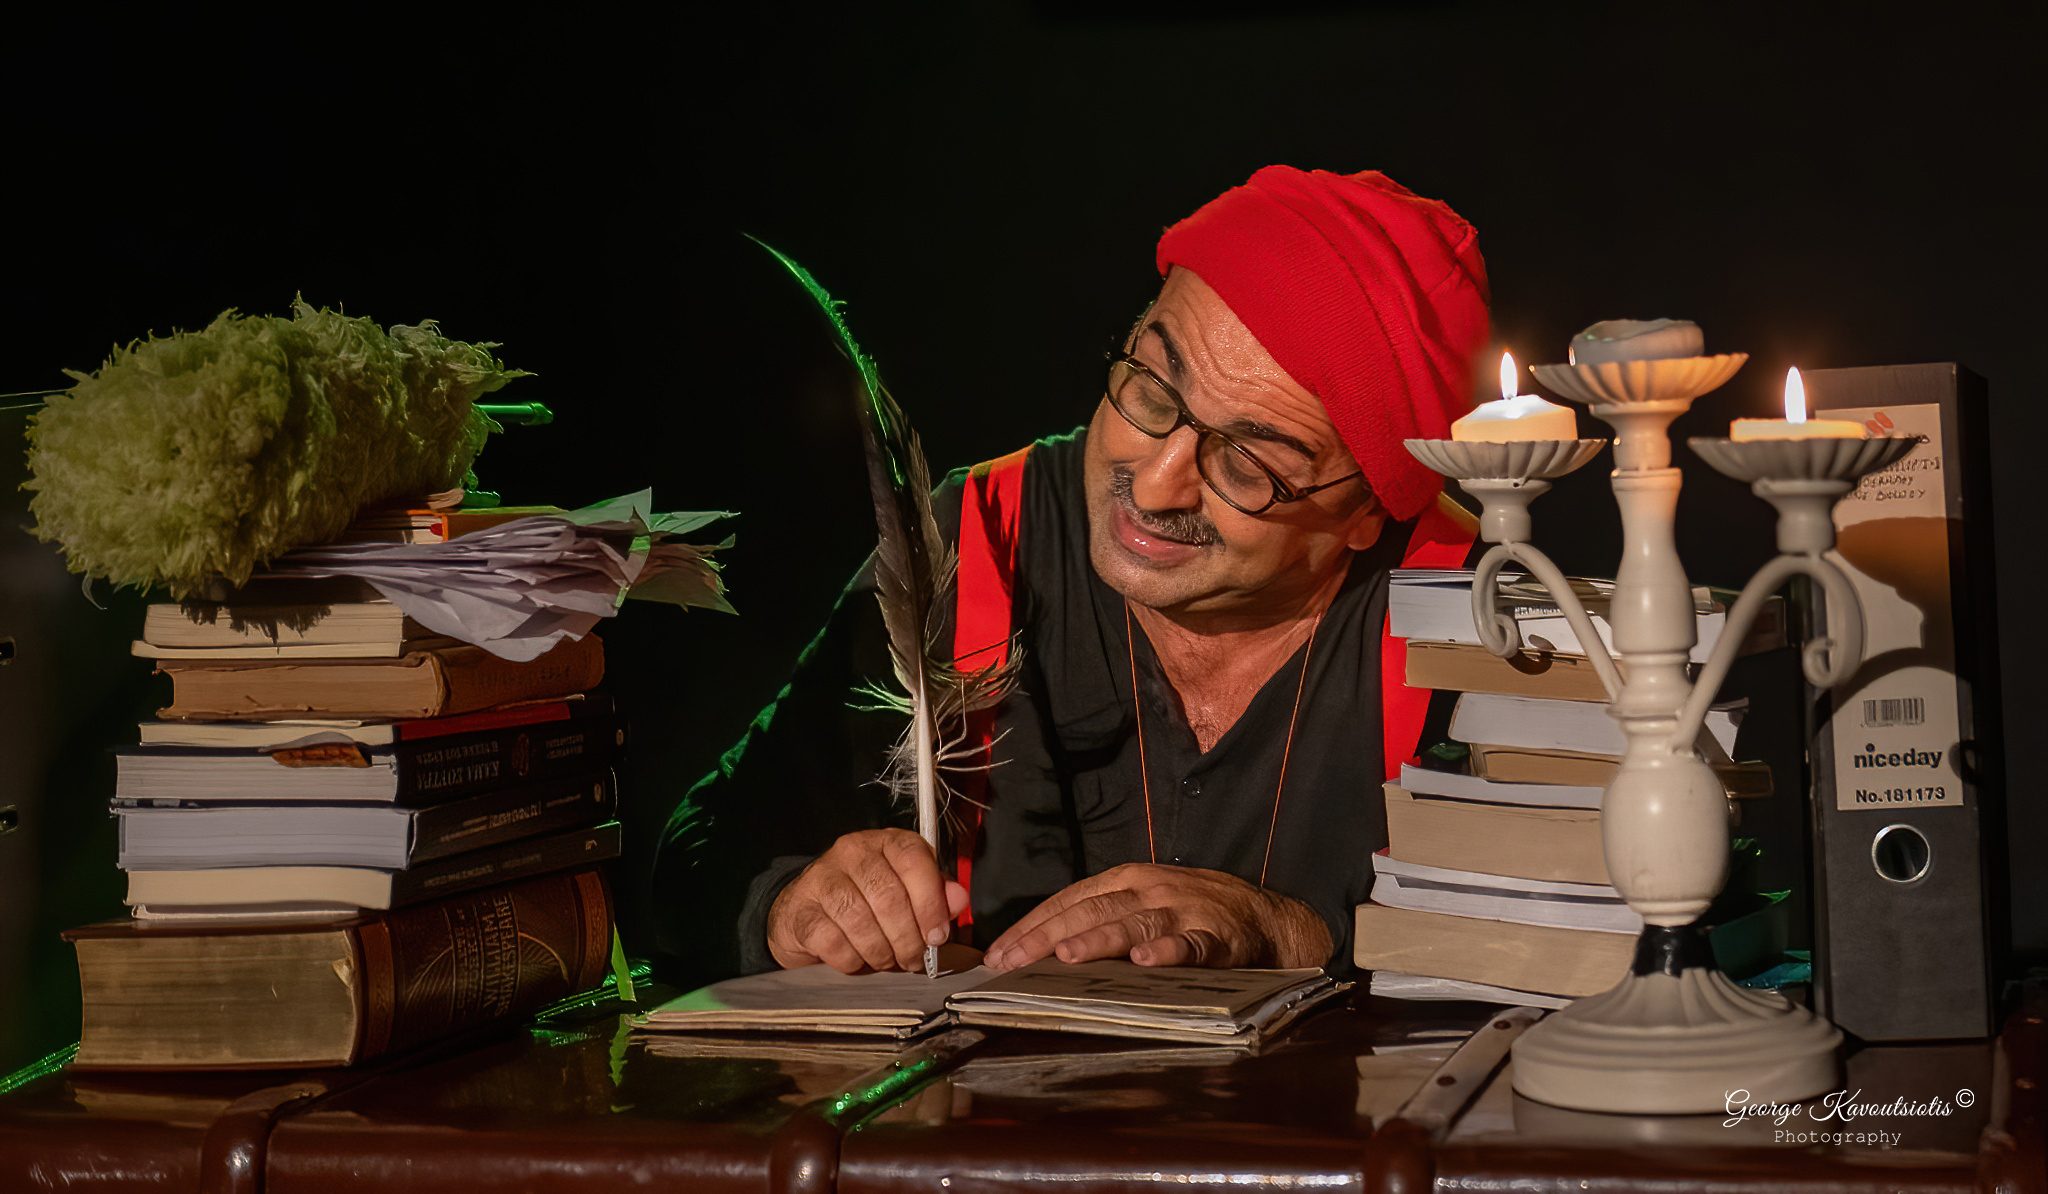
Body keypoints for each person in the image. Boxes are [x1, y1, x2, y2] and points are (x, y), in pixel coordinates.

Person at [653, 166, 1490, 982]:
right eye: (1152, 392)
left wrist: (1296, 930)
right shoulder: (978, 535)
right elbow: (695, 857)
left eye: (1246, 464)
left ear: (1367, 512)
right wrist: (789, 906)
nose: (1154, 486)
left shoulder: (1477, 610)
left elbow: (1556, 947)